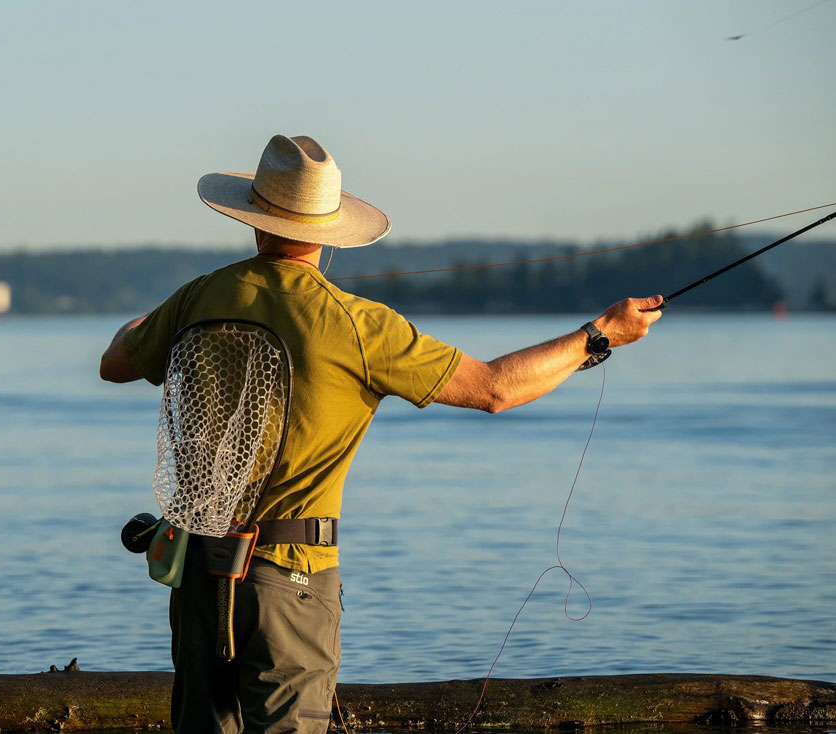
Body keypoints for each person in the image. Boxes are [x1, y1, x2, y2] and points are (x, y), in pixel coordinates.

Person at [99, 134, 662, 733]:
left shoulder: (196, 297)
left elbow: (114, 363)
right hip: (289, 581)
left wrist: (156, 319)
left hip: (193, 576)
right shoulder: (357, 325)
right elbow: (496, 388)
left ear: (254, 218)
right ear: (329, 230)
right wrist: (599, 335)